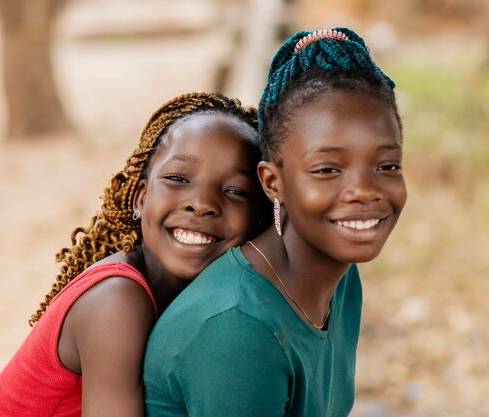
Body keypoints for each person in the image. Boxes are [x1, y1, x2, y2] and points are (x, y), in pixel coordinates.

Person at [143, 28, 407, 417]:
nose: (364, 191)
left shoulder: (342, 281)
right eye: (327, 169)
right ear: (273, 182)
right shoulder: (237, 329)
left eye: (387, 166)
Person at [0, 93, 270, 417]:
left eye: (236, 191)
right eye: (178, 179)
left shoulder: (210, 299)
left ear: (262, 217)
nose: (202, 203)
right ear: (140, 197)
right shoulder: (116, 300)